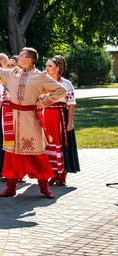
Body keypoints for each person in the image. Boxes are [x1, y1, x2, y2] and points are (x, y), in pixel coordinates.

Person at [0, 42, 66, 199]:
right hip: (13, 118)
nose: (18, 57)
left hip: (31, 120)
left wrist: (43, 102)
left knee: (36, 153)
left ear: (29, 60)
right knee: (11, 153)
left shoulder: (40, 76)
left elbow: (60, 90)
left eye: (22, 55)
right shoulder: (12, 73)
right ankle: (11, 186)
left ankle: (44, 187)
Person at [44, 55, 79, 186]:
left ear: (58, 69)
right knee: (48, 145)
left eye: (50, 66)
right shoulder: (44, 82)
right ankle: (52, 174)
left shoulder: (65, 83)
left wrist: (70, 123)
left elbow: (71, 104)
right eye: (46, 65)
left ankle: (62, 174)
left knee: (61, 144)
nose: (46, 68)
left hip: (60, 116)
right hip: (46, 115)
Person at [0, 55, 19, 178]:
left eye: (12, 65)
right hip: (4, 114)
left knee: (15, 142)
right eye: (8, 65)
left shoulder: (20, 81)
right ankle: (4, 169)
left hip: (15, 113)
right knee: (4, 142)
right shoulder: (3, 82)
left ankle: (18, 170)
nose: (9, 68)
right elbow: (0, 101)